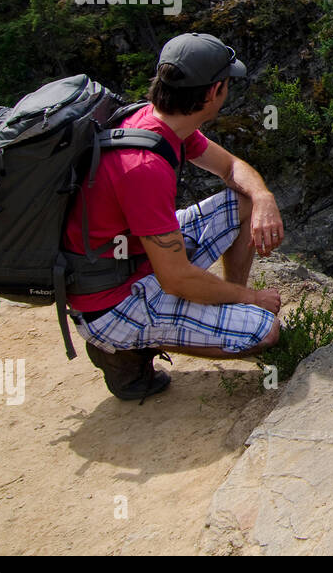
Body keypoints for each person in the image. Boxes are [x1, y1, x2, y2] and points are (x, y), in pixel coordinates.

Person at [62, 33, 284, 401]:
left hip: (130, 258)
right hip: (111, 300)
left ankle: (226, 304)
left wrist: (262, 197)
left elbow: (230, 166)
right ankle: (124, 349)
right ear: (214, 92)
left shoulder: (157, 122)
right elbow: (177, 279)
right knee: (263, 331)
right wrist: (252, 297)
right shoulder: (143, 168)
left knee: (243, 202)